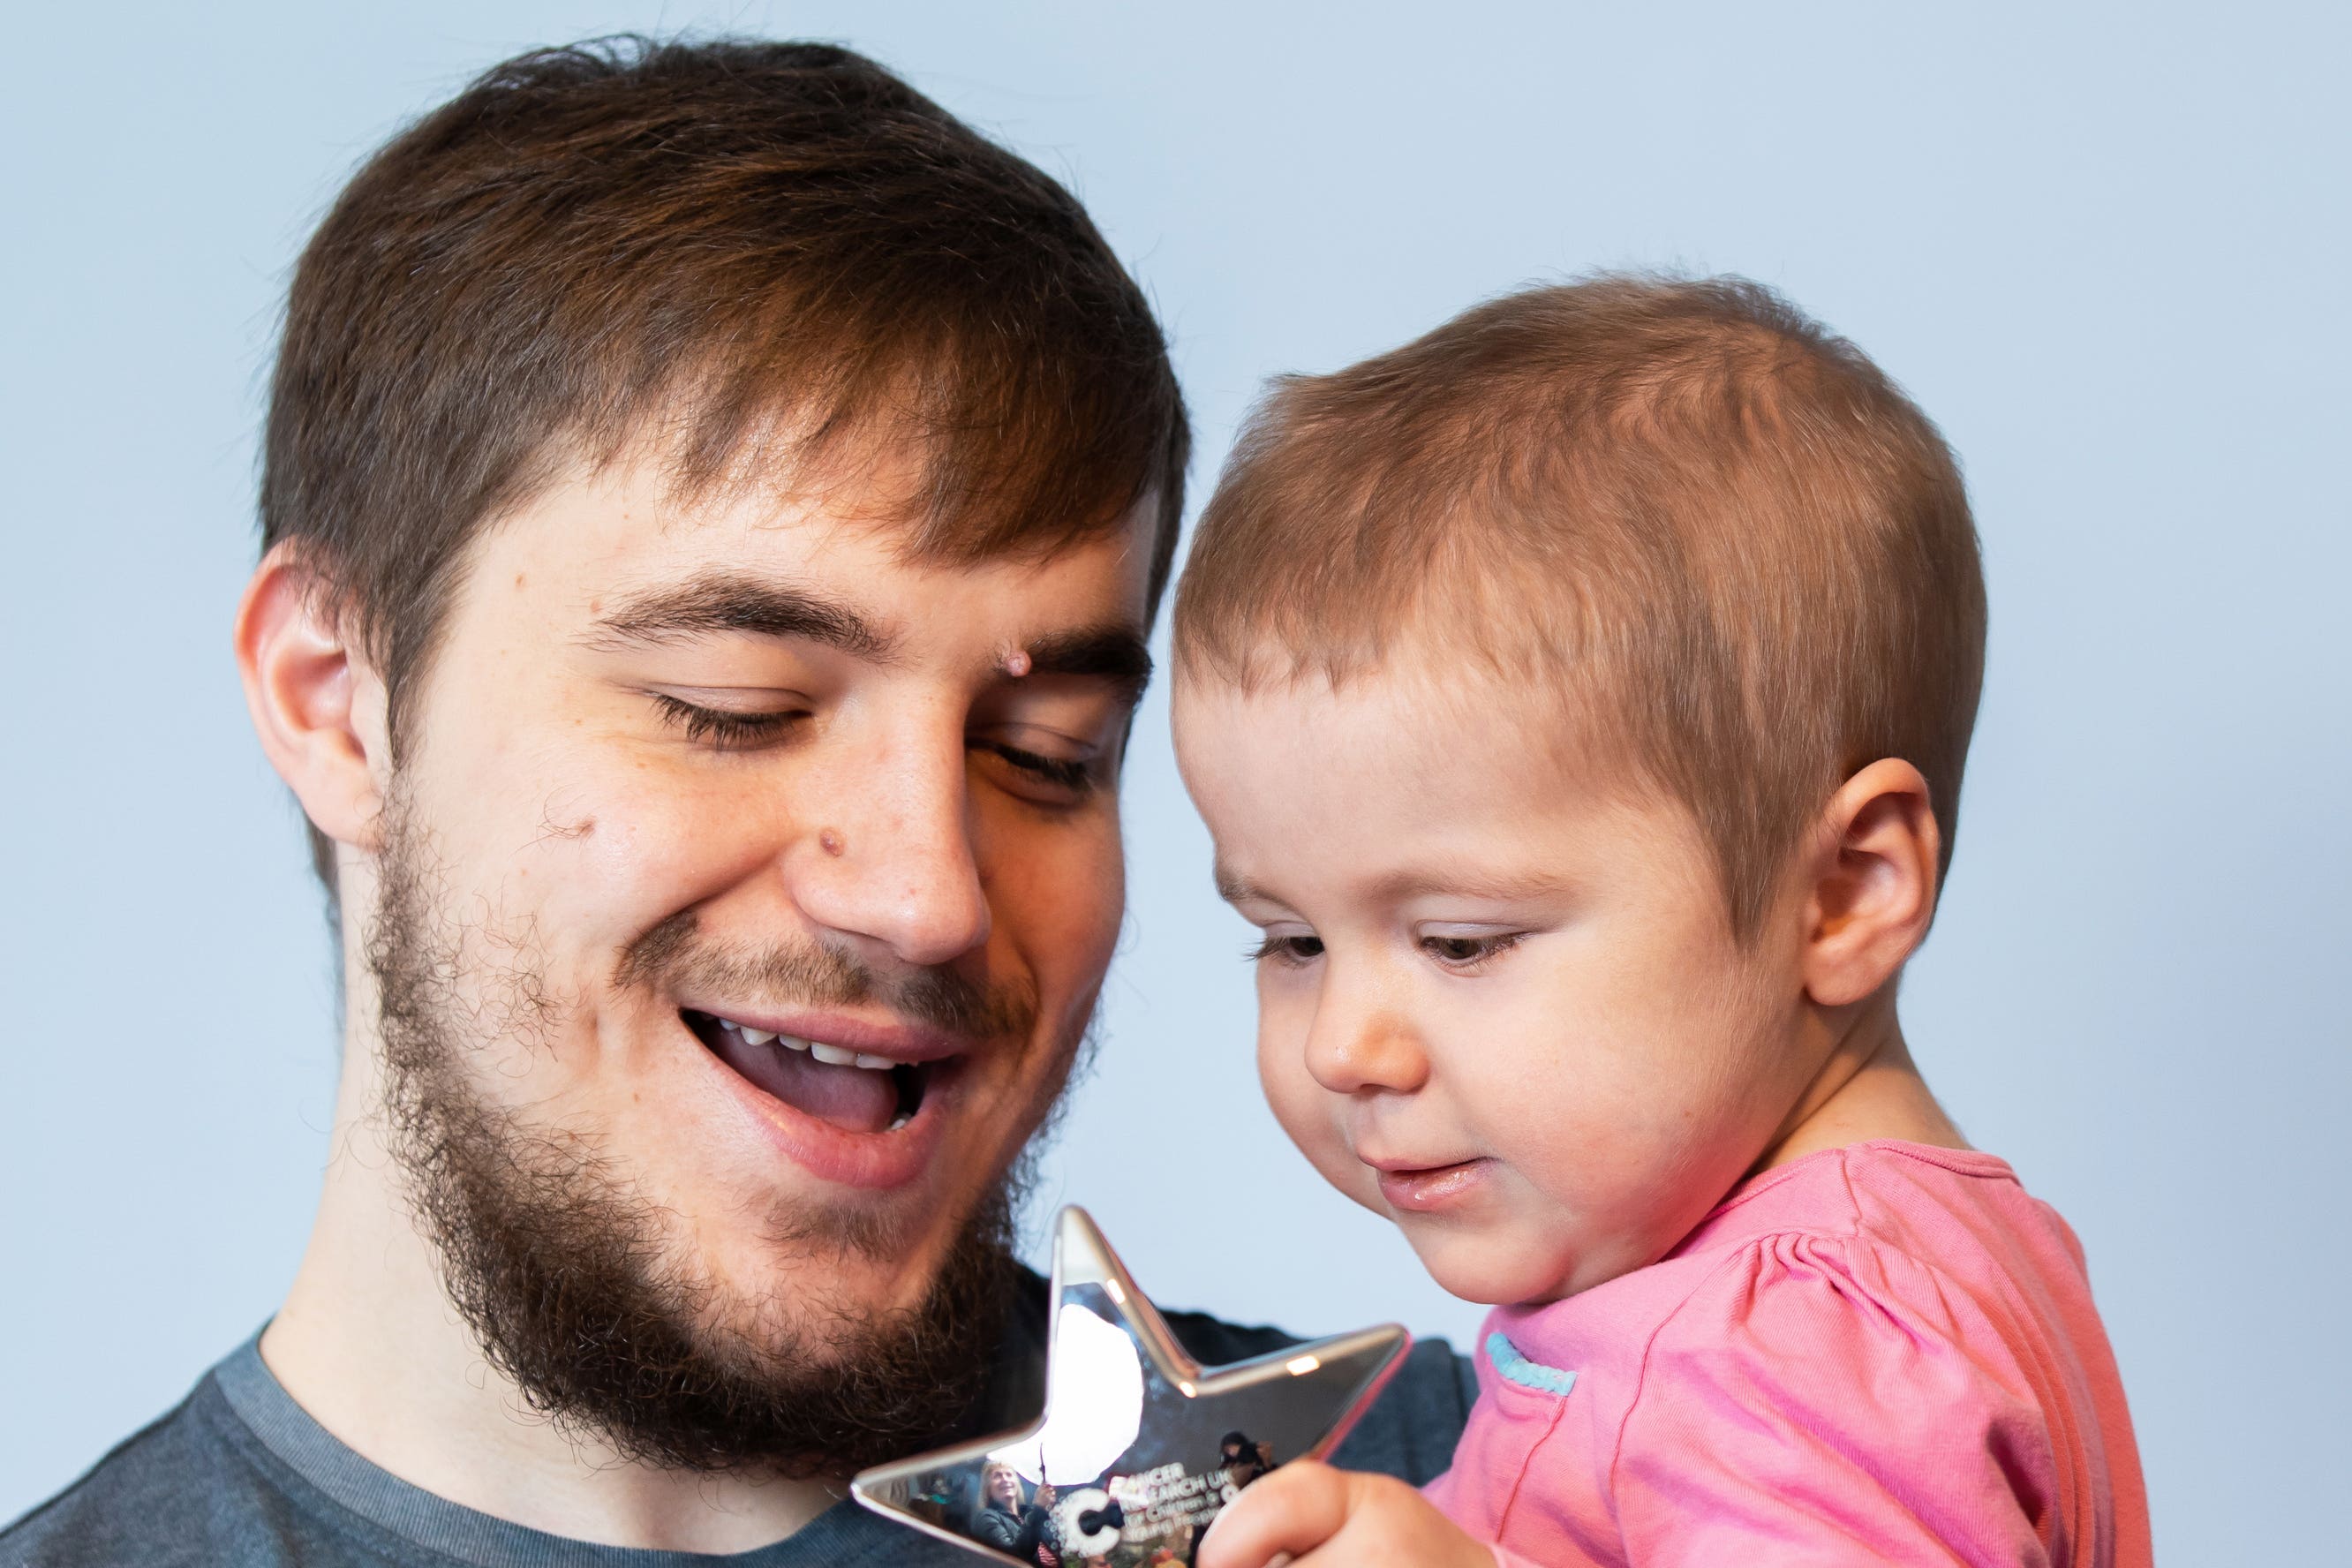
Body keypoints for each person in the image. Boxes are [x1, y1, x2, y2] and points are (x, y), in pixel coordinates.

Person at [0, 37, 1472, 1566]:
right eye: (736, 707)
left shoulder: (1526, 1489)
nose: (928, 893)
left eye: (1044, 753)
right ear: (336, 702)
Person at [1173, 276, 2152, 1566]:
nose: (1341, 1048)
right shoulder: (1917, 1263)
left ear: (1846, 893)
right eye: (1291, 941)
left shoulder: (1799, 1342)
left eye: (1461, 942)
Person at [974, 1464, 1062, 1564]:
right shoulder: (986, 1517)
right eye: (997, 1476)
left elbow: (1059, 1548)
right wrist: (1038, 1509)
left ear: (1017, 1483)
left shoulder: (1028, 1514)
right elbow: (1012, 1556)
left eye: (1009, 1474)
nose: (1005, 1479)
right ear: (988, 1488)